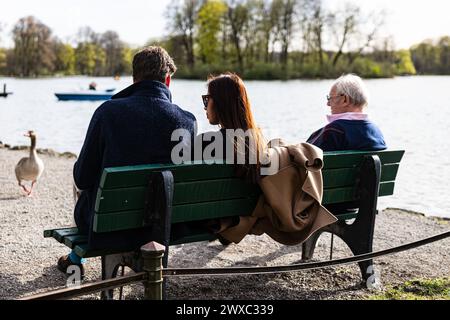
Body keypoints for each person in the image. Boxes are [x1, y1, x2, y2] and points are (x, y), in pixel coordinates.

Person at [57, 46, 197, 275]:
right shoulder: (187, 121)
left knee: (85, 176)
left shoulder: (108, 112)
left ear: (134, 79)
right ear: (168, 81)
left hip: (108, 227)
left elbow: (82, 178)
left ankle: (76, 259)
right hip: (164, 227)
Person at [307, 73, 387, 152]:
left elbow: (301, 158)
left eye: (330, 98)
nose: (328, 104)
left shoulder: (333, 131)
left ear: (345, 100)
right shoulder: (376, 132)